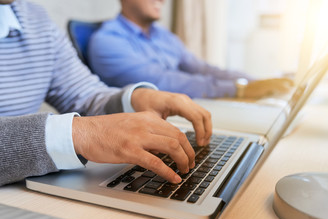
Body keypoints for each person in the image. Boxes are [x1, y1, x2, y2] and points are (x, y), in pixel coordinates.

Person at [0, 0, 212, 187]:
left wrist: (135, 98)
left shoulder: (36, 19)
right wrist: (78, 134)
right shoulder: (109, 39)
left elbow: (82, 94)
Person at [88, 0, 293, 99]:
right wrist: (238, 90)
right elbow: (161, 83)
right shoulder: (106, 42)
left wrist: (255, 82)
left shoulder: (163, 35)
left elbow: (202, 69)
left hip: (185, 104)